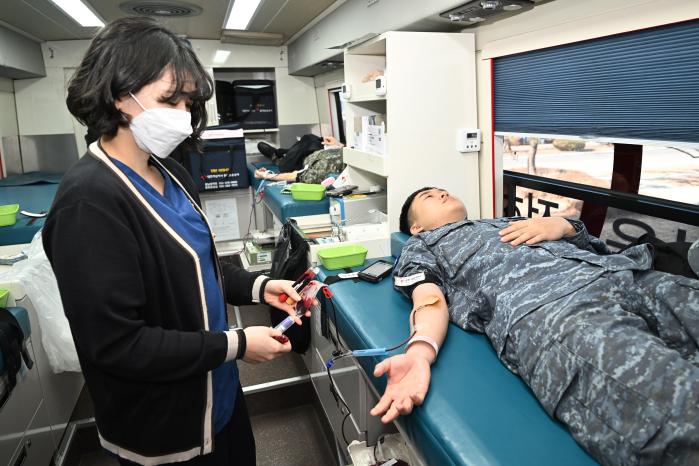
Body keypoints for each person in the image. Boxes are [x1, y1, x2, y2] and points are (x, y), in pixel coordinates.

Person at [42, 17, 307, 466]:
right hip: (164, 429)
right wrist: (238, 344)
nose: (183, 115)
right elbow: (118, 345)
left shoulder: (172, 171)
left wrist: (259, 287)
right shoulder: (89, 201)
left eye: (188, 101)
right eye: (170, 99)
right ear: (116, 95)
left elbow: (198, 263)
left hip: (217, 397)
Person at [370, 187, 699, 466]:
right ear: (415, 227)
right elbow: (428, 297)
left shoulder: (507, 221)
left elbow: (593, 245)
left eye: (443, 189)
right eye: (428, 196)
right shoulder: (423, 247)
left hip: (624, 274)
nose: (441, 192)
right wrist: (420, 351)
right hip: (557, 311)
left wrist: (563, 226)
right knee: (682, 408)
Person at [254, 135, 345, 184]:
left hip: (302, 160)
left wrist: (265, 175)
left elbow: (294, 176)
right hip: (323, 148)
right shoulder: (349, 154)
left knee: (284, 165)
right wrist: (339, 144)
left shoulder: (320, 173)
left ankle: (276, 156)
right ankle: (283, 152)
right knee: (308, 138)